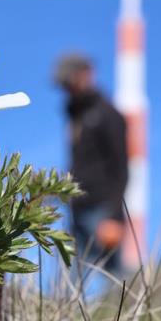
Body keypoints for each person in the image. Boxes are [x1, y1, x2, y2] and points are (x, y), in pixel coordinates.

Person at [55, 54, 128, 280]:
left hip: (103, 209)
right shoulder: (75, 116)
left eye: (70, 82)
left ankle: (125, 314)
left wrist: (115, 217)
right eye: (64, 85)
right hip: (77, 209)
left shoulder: (108, 114)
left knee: (114, 278)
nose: (68, 89)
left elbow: (121, 167)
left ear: (87, 74)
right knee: (72, 278)